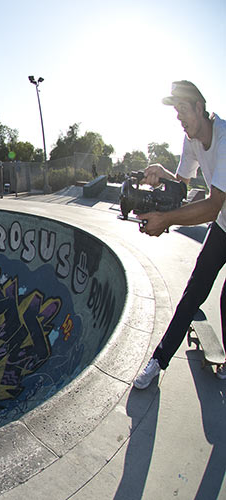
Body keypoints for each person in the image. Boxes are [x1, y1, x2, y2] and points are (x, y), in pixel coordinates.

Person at [133, 80, 226, 389]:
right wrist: (162, 175)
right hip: (224, 226)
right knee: (194, 291)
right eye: (176, 112)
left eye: (183, 110)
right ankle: (158, 361)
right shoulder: (191, 140)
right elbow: (182, 187)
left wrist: (166, 220)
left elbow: (212, 206)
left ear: (200, 108)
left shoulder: (225, 138)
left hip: (219, 215)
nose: (179, 118)